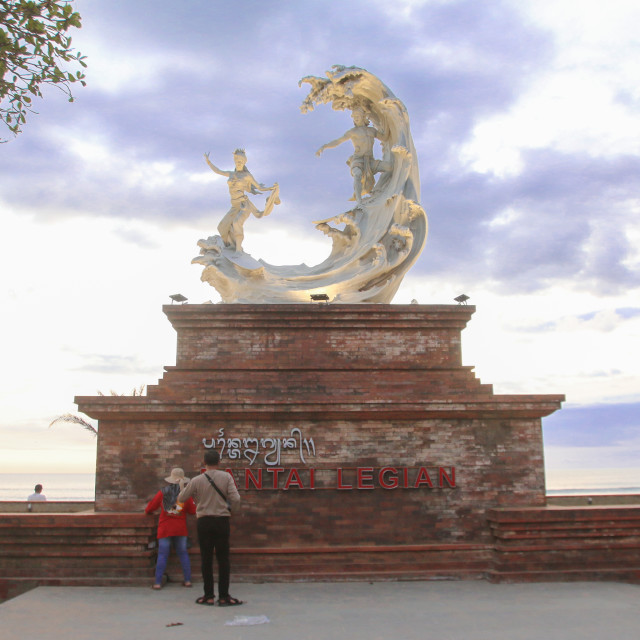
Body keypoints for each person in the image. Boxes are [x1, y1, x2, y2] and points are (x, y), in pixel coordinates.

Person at [178, 450, 242, 607]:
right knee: (223, 559)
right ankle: (224, 596)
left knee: (206, 559)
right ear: (218, 462)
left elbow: (181, 498)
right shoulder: (226, 477)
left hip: (204, 521)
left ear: (204, 463)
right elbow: (236, 498)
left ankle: (208, 596)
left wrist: (184, 488)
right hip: (222, 520)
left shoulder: (197, 480)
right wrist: (232, 511)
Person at [204, 149, 280, 253]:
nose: (238, 163)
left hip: (244, 205)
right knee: (222, 227)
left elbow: (259, 187)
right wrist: (208, 162)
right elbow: (218, 171)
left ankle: (239, 250)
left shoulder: (247, 176)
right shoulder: (231, 174)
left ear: (244, 163)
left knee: (236, 223)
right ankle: (229, 247)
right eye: (236, 161)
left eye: (240, 162)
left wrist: (271, 188)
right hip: (234, 206)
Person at [316, 106, 392, 203]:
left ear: (363, 117)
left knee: (389, 168)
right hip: (358, 160)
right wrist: (324, 146)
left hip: (370, 161)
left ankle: (378, 189)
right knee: (357, 174)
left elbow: (385, 138)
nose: (355, 118)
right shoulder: (353, 132)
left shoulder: (371, 131)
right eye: (354, 116)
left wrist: (389, 121)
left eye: (358, 116)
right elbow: (338, 141)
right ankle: (359, 201)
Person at [145, 468, 197, 590]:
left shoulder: (163, 492)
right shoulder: (185, 494)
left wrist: (148, 511)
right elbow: (192, 511)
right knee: (183, 554)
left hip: (165, 528)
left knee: (162, 555)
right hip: (180, 529)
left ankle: (158, 582)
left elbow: (150, 507)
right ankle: (187, 580)